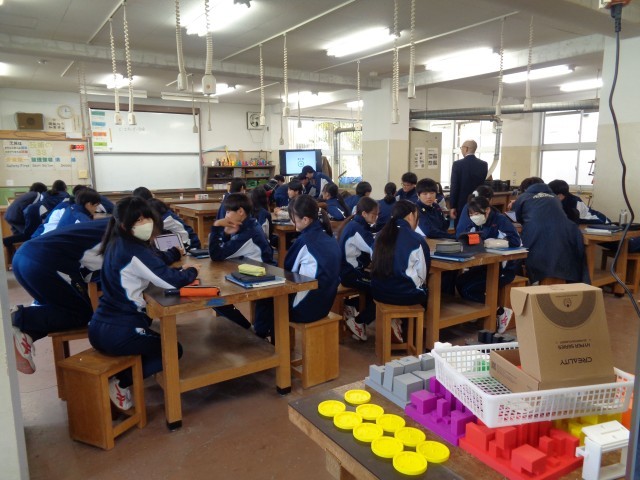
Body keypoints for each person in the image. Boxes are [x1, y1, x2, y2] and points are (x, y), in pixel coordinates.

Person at [89, 197, 199, 410]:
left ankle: (125, 375)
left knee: (162, 341)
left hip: (99, 326)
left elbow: (152, 264)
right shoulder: (133, 250)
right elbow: (171, 281)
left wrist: (173, 259)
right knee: (172, 349)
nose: (145, 223)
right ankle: (121, 381)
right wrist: (192, 271)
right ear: (124, 225)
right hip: (121, 331)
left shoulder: (116, 243)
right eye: (138, 220)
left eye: (147, 217)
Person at [10, 219, 109, 374]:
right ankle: (16, 316)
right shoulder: (122, 236)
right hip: (43, 263)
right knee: (81, 313)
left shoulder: (106, 224)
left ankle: (26, 336)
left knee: (59, 309)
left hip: (24, 257)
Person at [252, 195, 341, 339]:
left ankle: (265, 339)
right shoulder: (330, 237)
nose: (292, 222)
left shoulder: (304, 241)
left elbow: (287, 272)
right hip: (325, 304)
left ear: (305, 220)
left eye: (294, 219)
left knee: (266, 298)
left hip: (305, 308)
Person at [455, 196, 522, 332]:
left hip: (503, 268)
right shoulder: (476, 223)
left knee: (469, 289)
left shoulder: (501, 221)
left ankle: (500, 311)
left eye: (476, 214)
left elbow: (516, 242)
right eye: (471, 215)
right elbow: (467, 235)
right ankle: (479, 313)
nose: (474, 217)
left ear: (487, 210)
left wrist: (493, 243)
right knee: (460, 282)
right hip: (484, 266)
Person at [209, 193, 274, 329]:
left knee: (214, 297)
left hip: (261, 277)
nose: (225, 216)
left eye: (228, 212)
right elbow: (223, 249)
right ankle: (246, 327)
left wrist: (216, 227)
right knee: (214, 293)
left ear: (240, 211)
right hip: (248, 270)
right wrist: (225, 233)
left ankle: (247, 329)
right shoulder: (246, 225)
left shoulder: (248, 233)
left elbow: (216, 255)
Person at [371, 200, 430, 343]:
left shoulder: (379, 235)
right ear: (411, 216)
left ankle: (397, 322)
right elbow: (423, 275)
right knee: (426, 292)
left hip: (378, 292)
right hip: (405, 296)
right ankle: (413, 337)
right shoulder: (417, 239)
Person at [512, 177, 588, 284]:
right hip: (567, 232)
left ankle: (527, 282)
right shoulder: (554, 197)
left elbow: (518, 217)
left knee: (520, 251)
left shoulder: (523, 197)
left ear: (524, 189)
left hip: (536, 232)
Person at [340, 197, 379, 341]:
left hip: (349, 271)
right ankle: (359, 321)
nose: (376, 218)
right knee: (382, 288)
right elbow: (374, 249)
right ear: (364, 214)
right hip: (350, 273)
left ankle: (350, 305)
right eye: (374, 215)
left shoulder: (355, 224)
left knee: (374, 287)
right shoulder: (357, 229)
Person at [449, 140, 488, 227]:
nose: (461, 150)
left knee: (461, 227)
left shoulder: (457, 164)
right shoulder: (483, 164)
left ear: (466, 149)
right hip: (478, 203)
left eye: (461, 148)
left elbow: (454, 186)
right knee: (477, 226)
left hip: (461, 204)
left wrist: (452, 206)